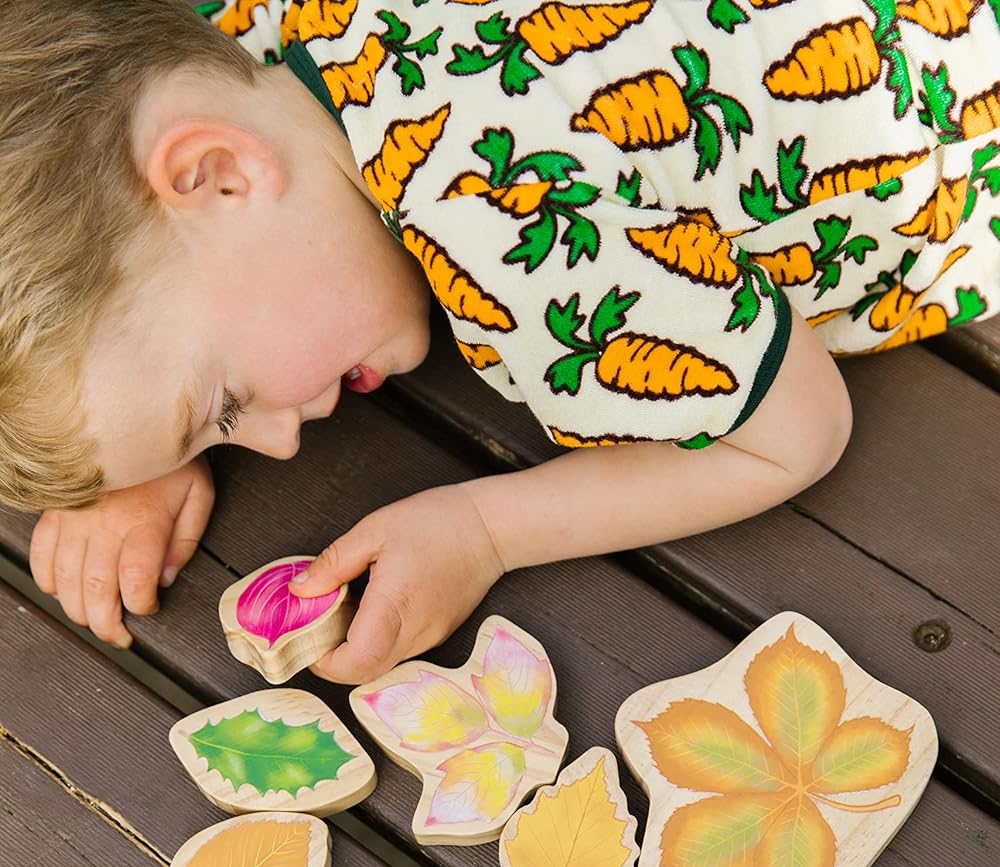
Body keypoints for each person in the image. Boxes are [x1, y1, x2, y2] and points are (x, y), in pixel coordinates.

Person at [7, 0, 999, 683]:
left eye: (225, 407)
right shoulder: (225, 32)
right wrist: (128, 447)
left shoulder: (512, 241)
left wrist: (486, 531)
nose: (278, 442)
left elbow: (792, 432)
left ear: (219, 175)